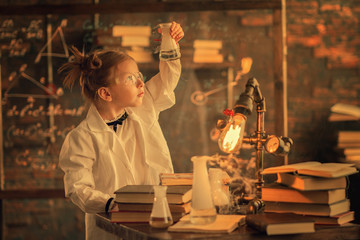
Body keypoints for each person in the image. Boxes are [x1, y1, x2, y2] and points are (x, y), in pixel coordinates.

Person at [58, 22, 184, 240]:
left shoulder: (145, 108)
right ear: (106, 94)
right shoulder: (81, 138)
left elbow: (167, 80)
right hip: (109, 231)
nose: (140, 83)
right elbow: (78, 188)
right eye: (130, 79)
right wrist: (114, 204)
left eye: (139, 75)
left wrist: (169, 40)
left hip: (154, 224)